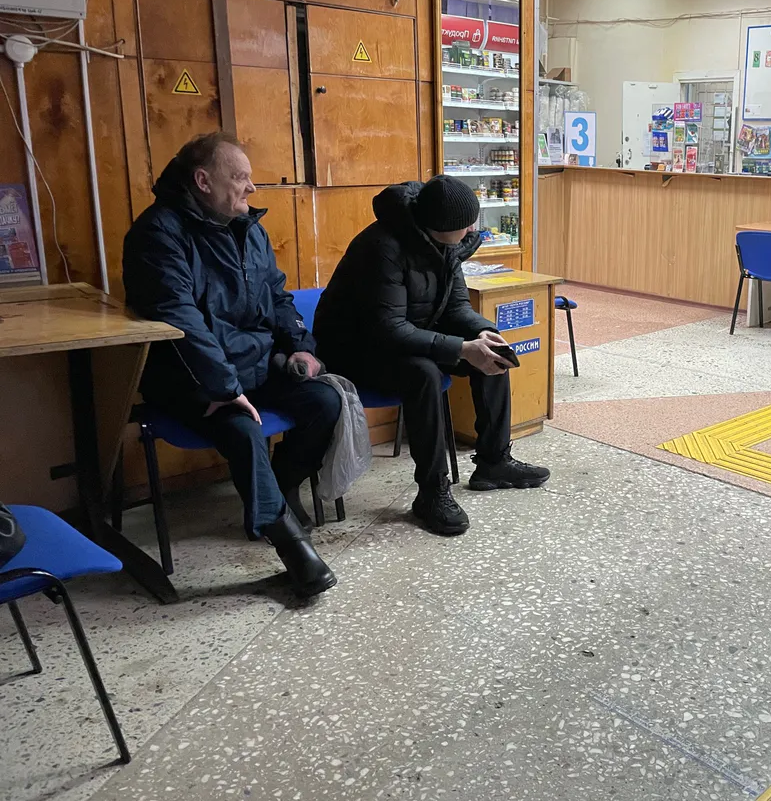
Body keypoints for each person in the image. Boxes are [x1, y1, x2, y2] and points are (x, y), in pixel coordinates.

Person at [123, 133, 340, 599]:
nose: (252, 188)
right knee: (242, 428)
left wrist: (301, 347)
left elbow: (278, 296)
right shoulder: (157, 234)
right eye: (240, 177)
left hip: (255, 363)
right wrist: (223, 387)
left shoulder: (249, 229)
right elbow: (179, 320)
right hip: (190, 378)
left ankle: (280, 489)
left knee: (325, 400)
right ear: (203, 181)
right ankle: (290, 543)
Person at [313, 176, 550, 536]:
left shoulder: (445, 243)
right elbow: (388, 330)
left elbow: (456, 307)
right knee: (423, 374)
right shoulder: (381, 247)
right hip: (355, 350)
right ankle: (432, 492)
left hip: (408, 336)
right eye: (465, 224)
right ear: (440, 226)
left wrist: (481, 332)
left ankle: (494, 461)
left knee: (492, 354)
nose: (473, 229)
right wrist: (461, 348)